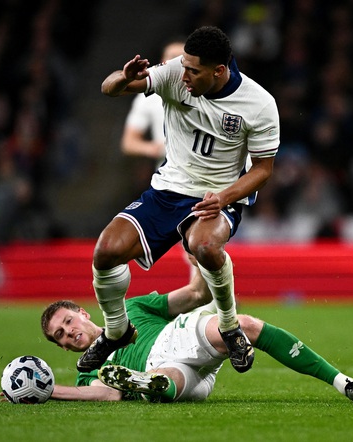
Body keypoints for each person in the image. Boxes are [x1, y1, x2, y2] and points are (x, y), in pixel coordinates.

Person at [81, 26, 280, 374]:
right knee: (106, 250)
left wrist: (225, 197)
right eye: (183, 66)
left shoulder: (259, 104)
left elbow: (263, 170)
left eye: (193, 70)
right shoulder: (174, 73)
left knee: (205, 247)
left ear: (219, 71)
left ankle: (230, 327)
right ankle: (116, 331)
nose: (183, 74)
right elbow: (108, 89)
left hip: (216, 195)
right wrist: (123, 78)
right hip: (168, 189)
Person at [40, 257, 353, 403]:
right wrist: (48, 390)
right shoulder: (87, 371)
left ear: (83, 313)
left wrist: (199, 257)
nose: (67, 332)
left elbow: (194, 294)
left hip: (173, 338)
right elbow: (108, 393)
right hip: (179, 375)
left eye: (67, 322)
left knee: (243, 325)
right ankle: (152, 384)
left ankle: (343, 383)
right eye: (60, 335)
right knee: (170, 380)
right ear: (63, 348)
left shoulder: (130, 308)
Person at [120, 39, 185, 164]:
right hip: (167, 177)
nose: (176, 64)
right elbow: (128, 143)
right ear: (162, 62)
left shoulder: (206, 93)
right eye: (172, 58)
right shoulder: (149, 97)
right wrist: (157, 149)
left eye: (181, 58)